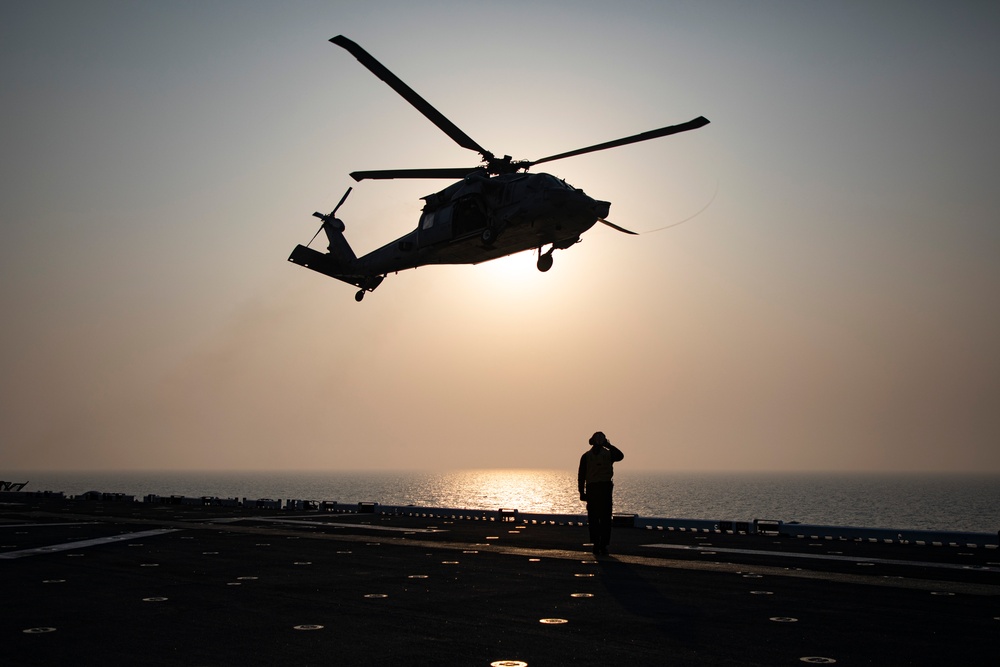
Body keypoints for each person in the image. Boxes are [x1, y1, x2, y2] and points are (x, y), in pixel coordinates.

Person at [577, 431, 624, 556]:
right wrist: (609, 445)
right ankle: (602, 545)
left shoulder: (587, 456)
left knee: (595, 519)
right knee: (603, 519)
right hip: (603, 489)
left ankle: (598, 544)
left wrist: (582, 492)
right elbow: (620, 456)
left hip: (594, 490)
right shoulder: (607, 454)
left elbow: (581, 476)